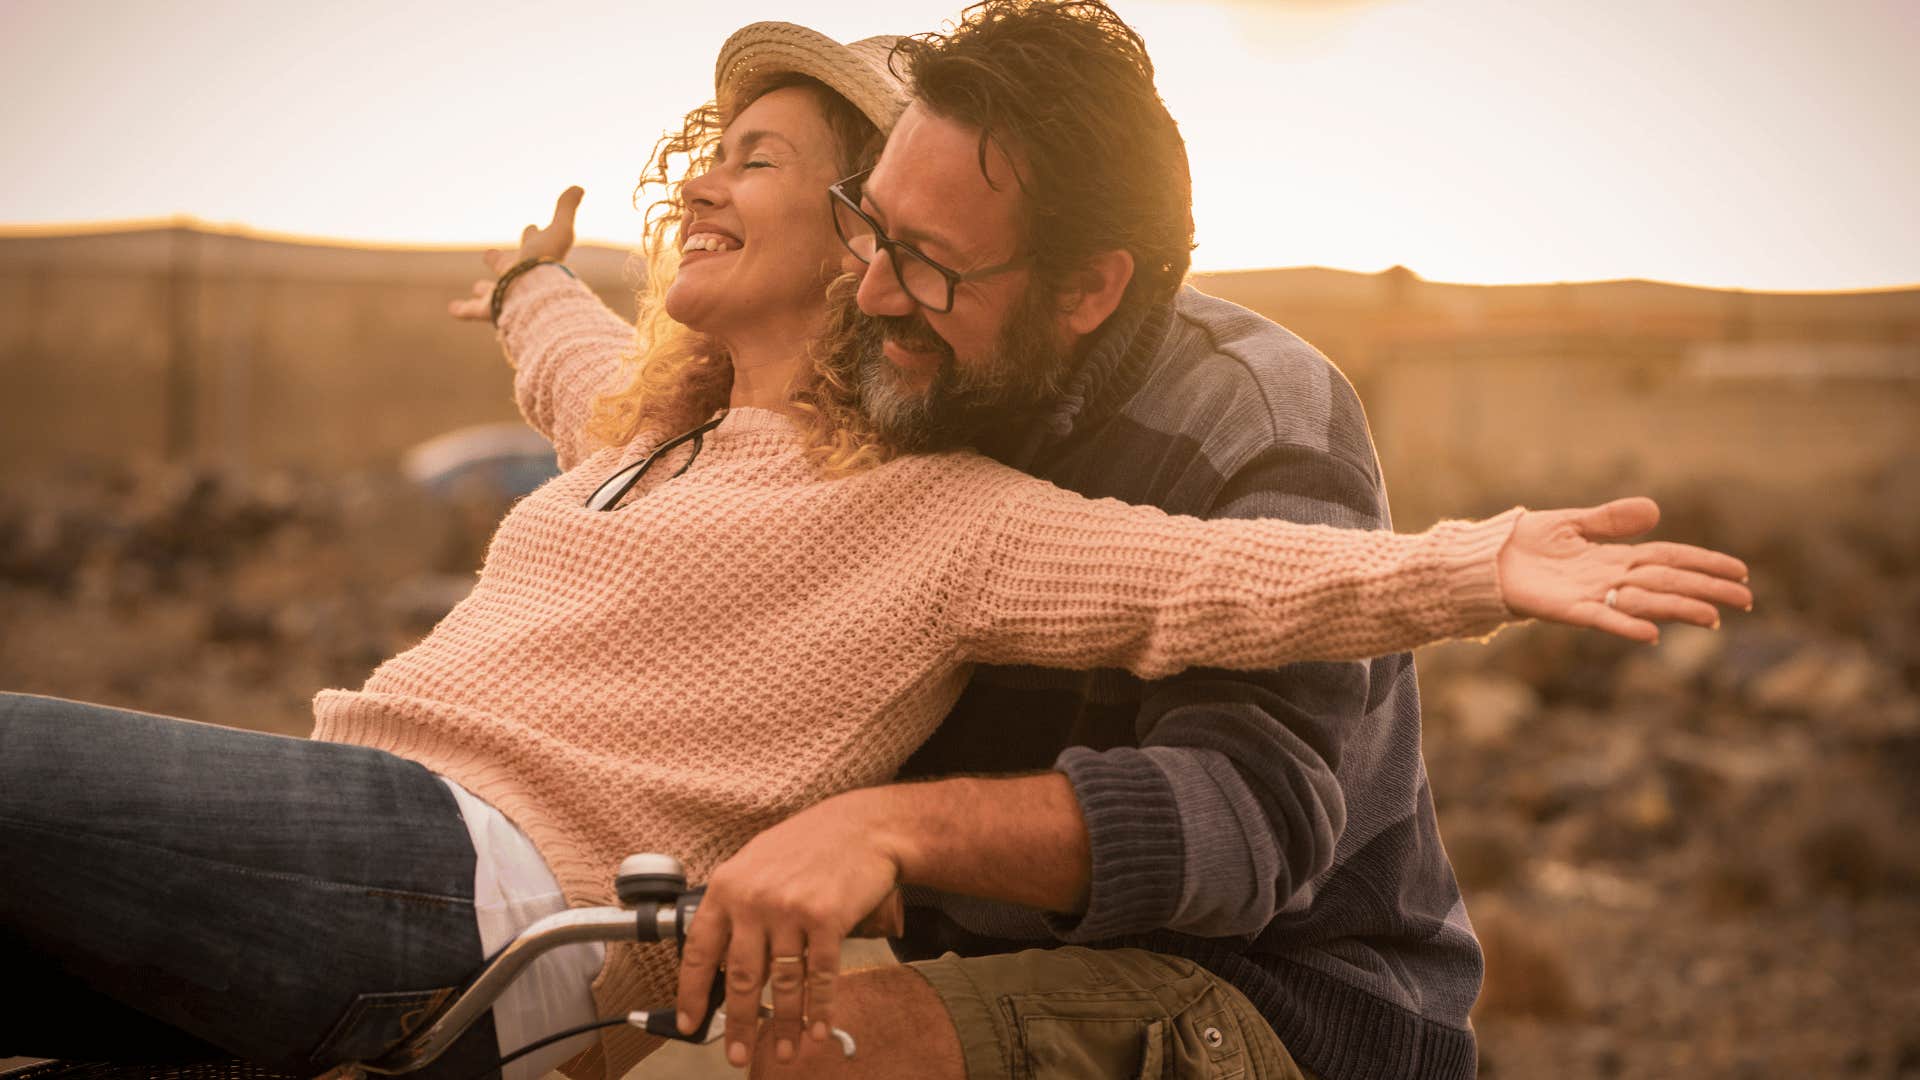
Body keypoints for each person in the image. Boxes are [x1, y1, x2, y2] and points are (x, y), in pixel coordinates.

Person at [0, 13, 1747, 1080]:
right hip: (383, 803)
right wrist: (529, 283)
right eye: (864, 228)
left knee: (797, 1059)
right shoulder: (701, 424)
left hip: (1265, 990)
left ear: (1083, 291)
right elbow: (580, 370)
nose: (875, 280)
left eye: (915, 259)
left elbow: (1233, 688)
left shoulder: (1056, 474)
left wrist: (1474, 565)